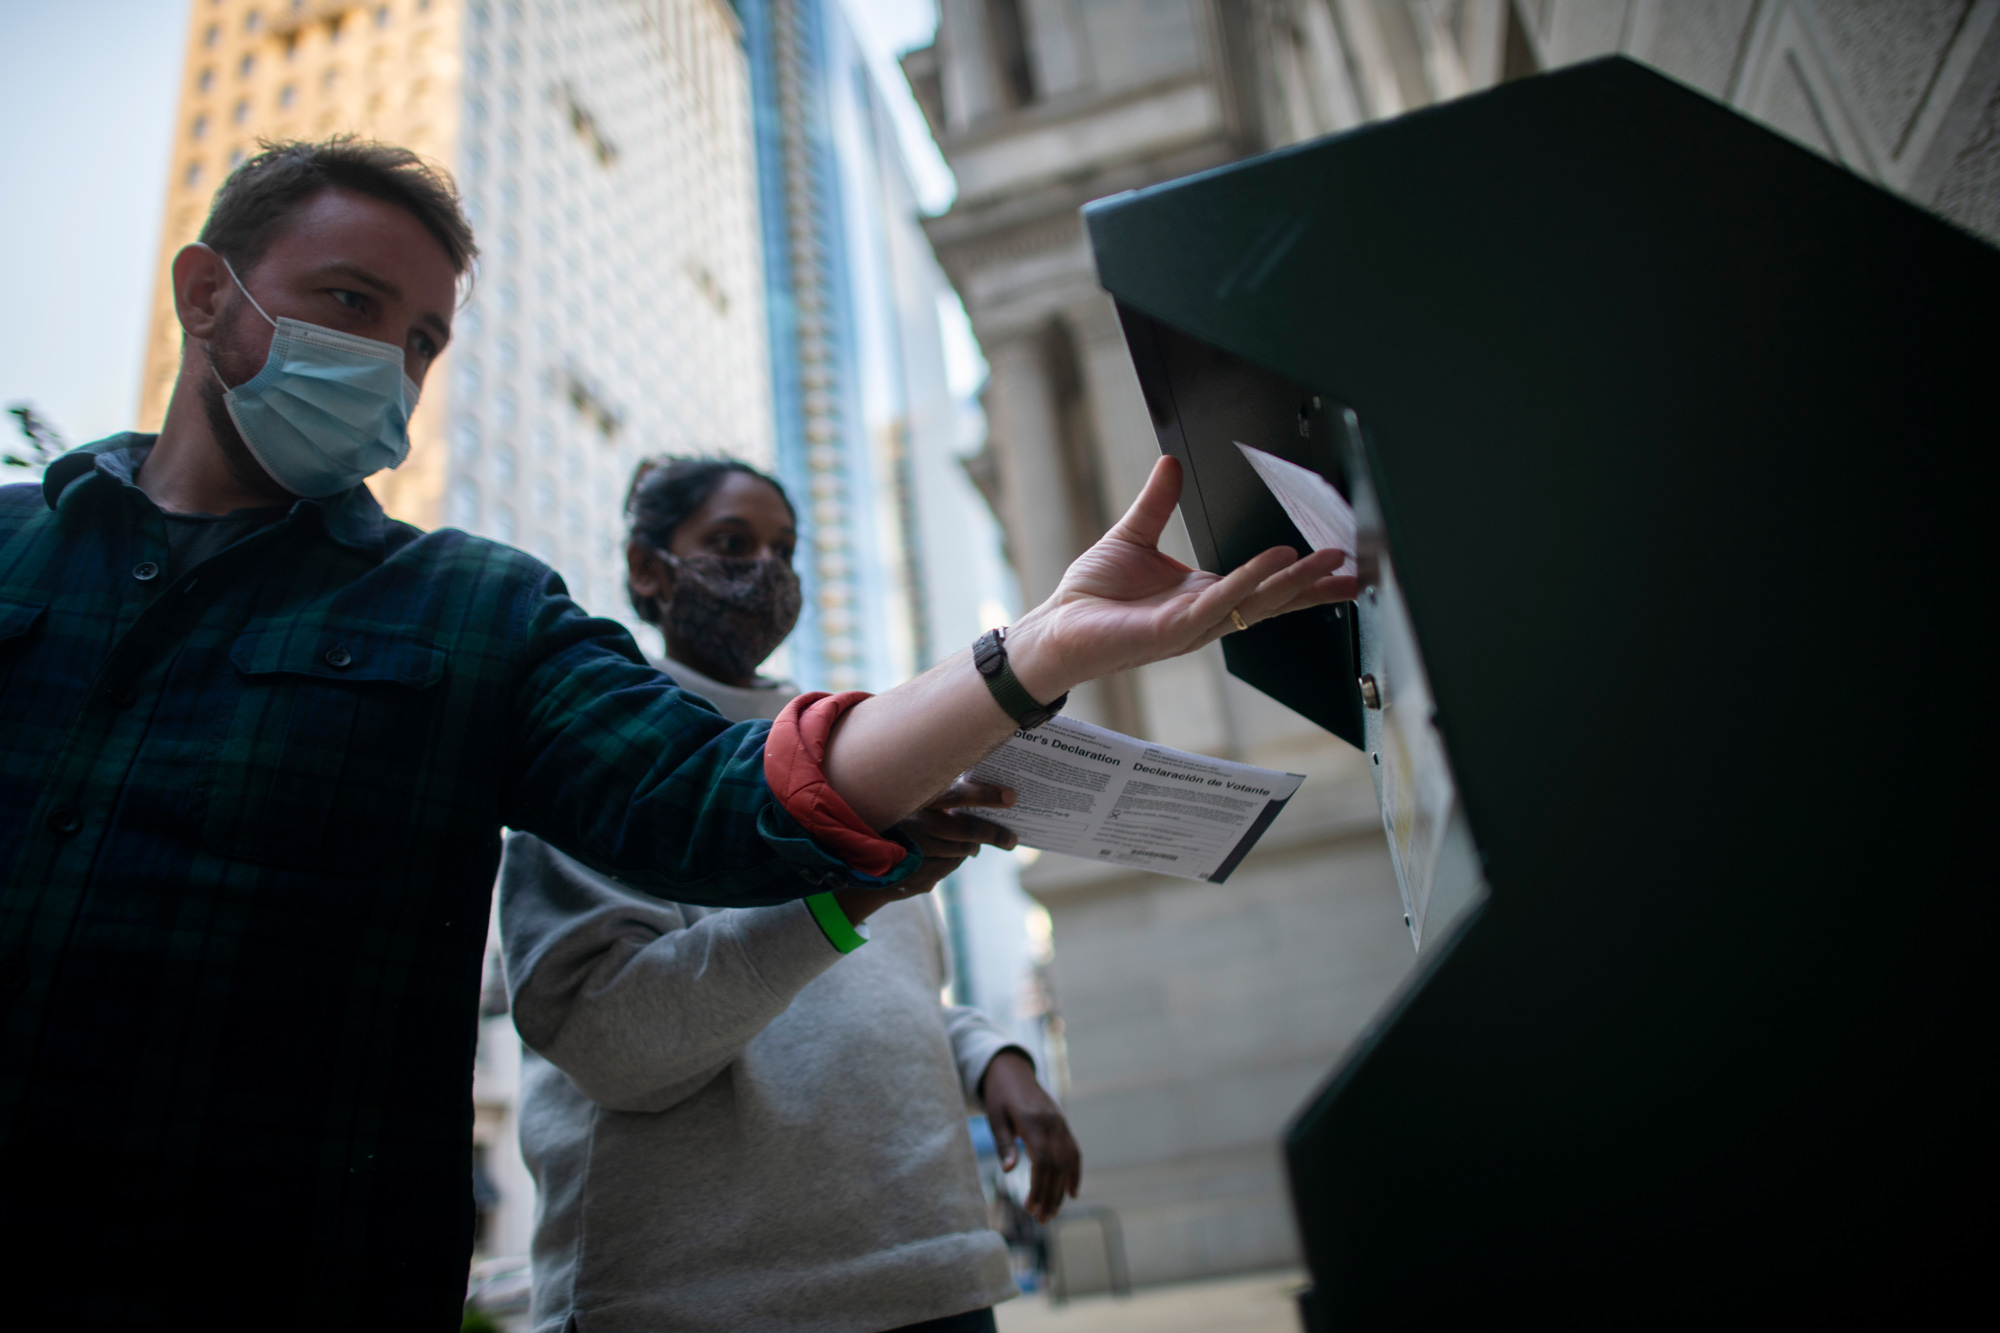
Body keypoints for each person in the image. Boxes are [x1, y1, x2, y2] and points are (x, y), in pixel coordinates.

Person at [0, 138, 1351, 1326]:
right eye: (352, 304)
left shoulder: (476, 610)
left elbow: (714, 801)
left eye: (422, 340)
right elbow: (628, 1022)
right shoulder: (17, 554)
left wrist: (1038, 651)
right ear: (204, 294)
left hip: (292, 1274)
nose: (389, 364)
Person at [500, 456, 1079, 1333]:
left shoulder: (864, 746)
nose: (765, 571)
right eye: (731, 543)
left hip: (935, 1277)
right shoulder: (595, 757)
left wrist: (995, 1058)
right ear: (648, 569)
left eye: (786, 548)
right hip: (702, 1302)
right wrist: (853, 890)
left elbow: (881, 991)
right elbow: (613, 1041)